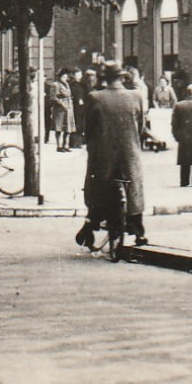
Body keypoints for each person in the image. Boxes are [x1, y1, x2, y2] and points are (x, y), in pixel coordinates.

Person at [75, 65, 148, 248]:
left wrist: (93, 145)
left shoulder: (95, 97)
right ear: (122, 77)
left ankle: (91, 223)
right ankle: (138, 231)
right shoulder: (136, 96)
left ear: (104, 78)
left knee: (97, 188)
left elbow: (88, 130)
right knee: (133, 189)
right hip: (129, 154)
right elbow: (141, 127)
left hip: (103, 155)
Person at [47, 71, 75, 152]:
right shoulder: (55, 85)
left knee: (68, 127)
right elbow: (53, 97)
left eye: (66, 77)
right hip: (60, 109)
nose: (65, 79)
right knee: (59, 128)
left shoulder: (67, 85)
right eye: (63, 77)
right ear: (59, 77)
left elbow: (69, 94)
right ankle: (59, 146)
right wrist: (61, 104)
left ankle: (65, 145)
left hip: (69, 107)